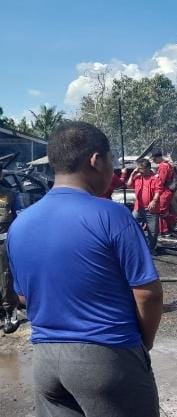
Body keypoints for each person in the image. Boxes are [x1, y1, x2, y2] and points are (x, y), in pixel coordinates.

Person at [8, 121, 163, 417]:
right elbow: (148, 294)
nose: (114, 170)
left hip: (45, 361)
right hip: (107, 356)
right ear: (96, 160)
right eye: (112, 161)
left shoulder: (21, 224)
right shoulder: (112, 215)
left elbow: (24, 297)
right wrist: (143, 344)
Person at [0, 170, 19, 334]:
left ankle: (10, 313)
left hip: (4, 242)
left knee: (6, 277)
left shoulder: (10, 195)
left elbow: (20, 216)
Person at [128, 158, 160, 252]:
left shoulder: (155, 178)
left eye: (141, 169)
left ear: (148, 168)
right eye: (139, 168)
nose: (140, 171)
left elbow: (158, 191)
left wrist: (154, 201)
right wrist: (132, 174)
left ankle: (150, 249)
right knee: (130, 225)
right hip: (138, 208)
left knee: (153, 232)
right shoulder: (138, 177)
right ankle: (135, 246)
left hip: (151, 210)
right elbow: (129, 185)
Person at [149, 150, 177, 235]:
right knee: (163, 211)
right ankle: (165, 229)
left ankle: (169, 225)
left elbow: (161, 181)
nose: (153, 161)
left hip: (165, 191)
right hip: (166, 191)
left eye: (154, 159)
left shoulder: (163, 166)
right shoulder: (166, 164)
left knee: (162, 211)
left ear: (158, 158)